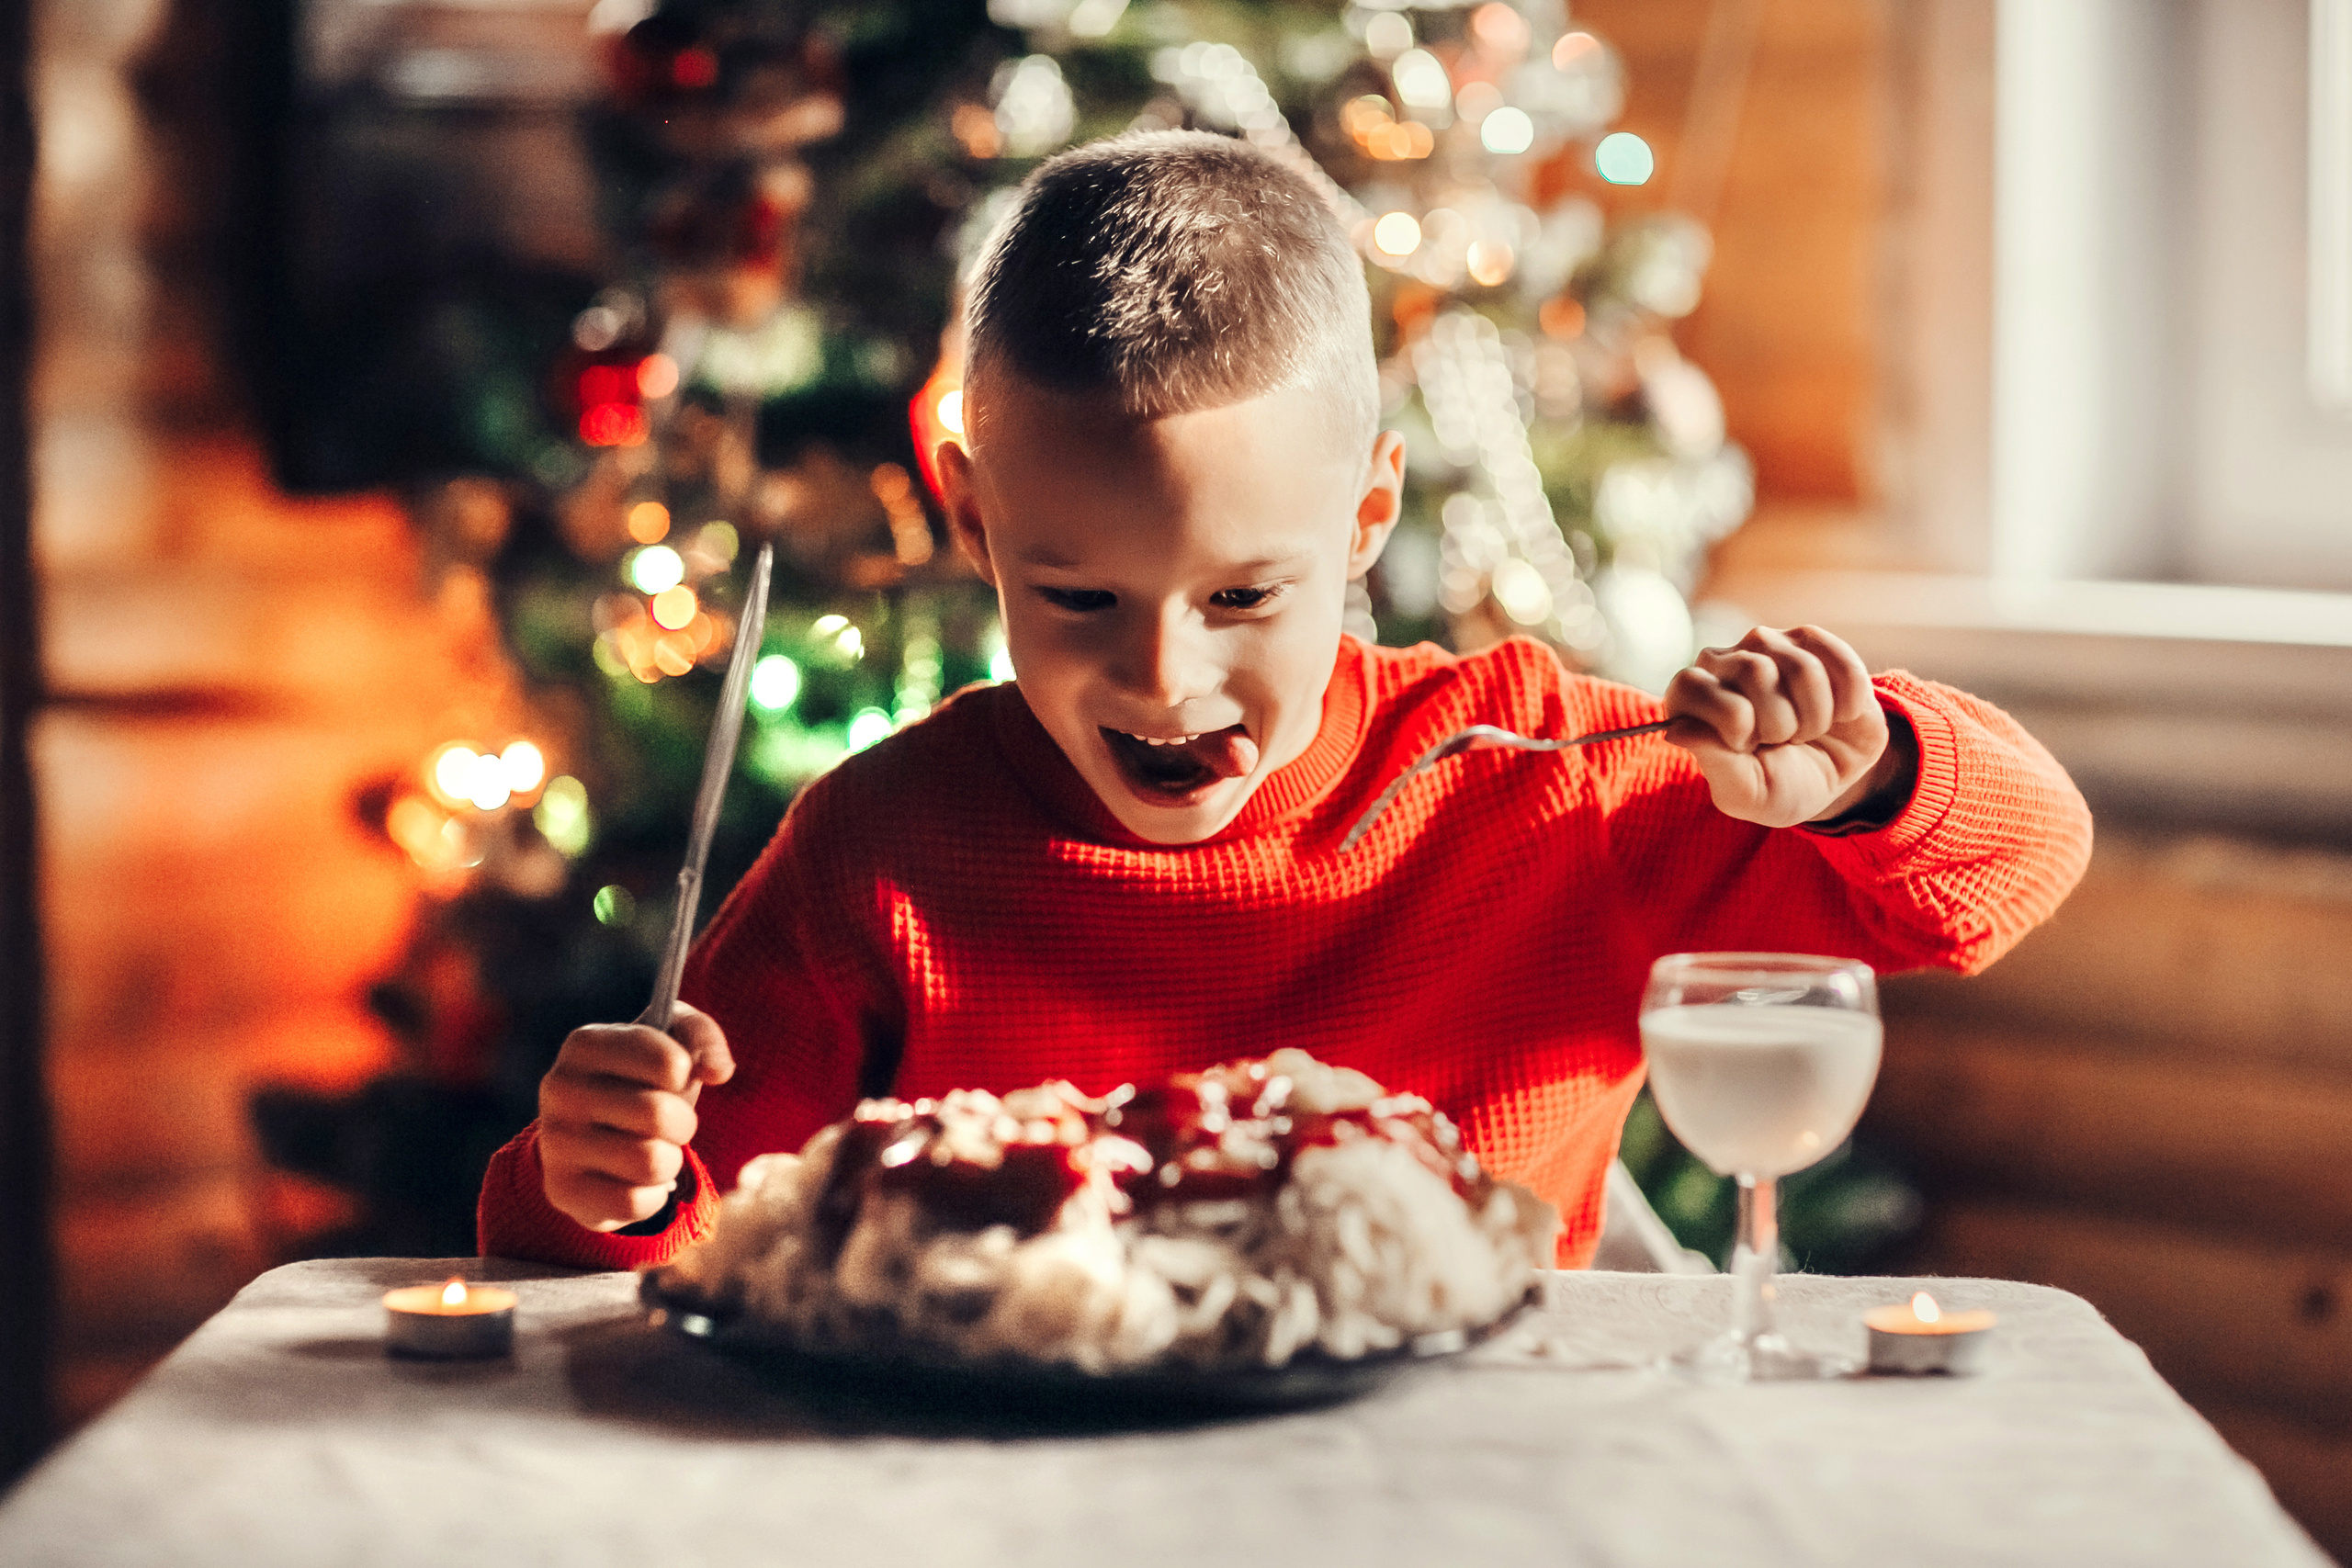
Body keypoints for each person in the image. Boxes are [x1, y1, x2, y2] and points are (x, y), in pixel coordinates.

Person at [478, 130, 2090, 1270]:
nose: (1166, 677)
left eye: (1245, 596)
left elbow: (2010, 876)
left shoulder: (1543, 777)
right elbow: (622, 1247)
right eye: (1079, 597)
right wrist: (610, 1183)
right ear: (973, 519)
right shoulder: (885, 854)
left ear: (1369, 517)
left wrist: (1870, 770)